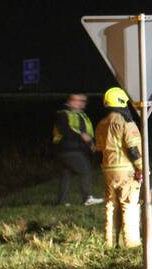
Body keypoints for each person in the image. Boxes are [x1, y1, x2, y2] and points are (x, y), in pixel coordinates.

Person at [95, 87, 144, 248]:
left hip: (108, 169)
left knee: (111, 205)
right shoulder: (125, 122)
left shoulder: (101, 124)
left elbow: (99, 150)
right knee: (128, 205)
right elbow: (133, 149)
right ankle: (130, 243)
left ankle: (110, 242)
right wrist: (142, 169)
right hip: (126, 169)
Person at [52, 93, 102, 207]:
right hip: (69, 150)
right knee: (85, 169)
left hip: (73, 150)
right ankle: (87, 198)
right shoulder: (63, 114)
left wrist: (90, 144)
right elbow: (67, 130)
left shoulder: (80, 115)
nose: (81, 103)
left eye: (83, 101)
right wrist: (82, 136)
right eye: (78, 100)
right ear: (70, 101)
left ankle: (62, 201)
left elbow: (85, 133)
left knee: (66, 174)